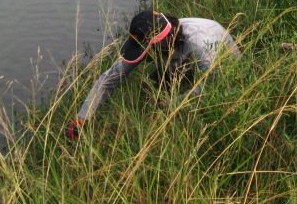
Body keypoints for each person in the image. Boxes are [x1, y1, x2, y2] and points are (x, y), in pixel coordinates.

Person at [66, 10, 240, 140]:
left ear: (160, 44)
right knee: (150, 86)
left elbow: (210, 88)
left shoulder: (200, 46)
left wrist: (173, 104)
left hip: (224, 69)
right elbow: (111, 77)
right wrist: (82, 118)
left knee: (186, 108)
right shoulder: (154, 38)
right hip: (178, 57)